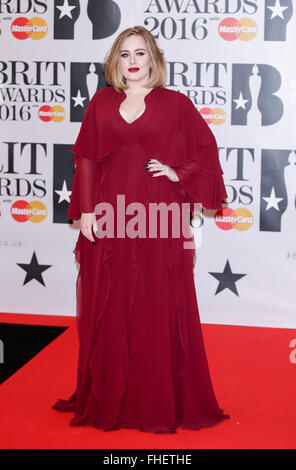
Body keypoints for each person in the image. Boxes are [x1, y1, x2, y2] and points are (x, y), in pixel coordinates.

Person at [52, 25, 230, 434]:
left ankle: (157, 399)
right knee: (109, 304)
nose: (133, 62)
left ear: (153, 58)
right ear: (116, 61)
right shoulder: (100, 102)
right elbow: (87, 160)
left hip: (159, 217)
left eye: (140, 53)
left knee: (157, 302)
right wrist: (87, 212)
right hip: (111, 216)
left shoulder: (175, 104)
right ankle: (112, 397)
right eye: (125, 54)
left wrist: (177, 171)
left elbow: (207, 151)